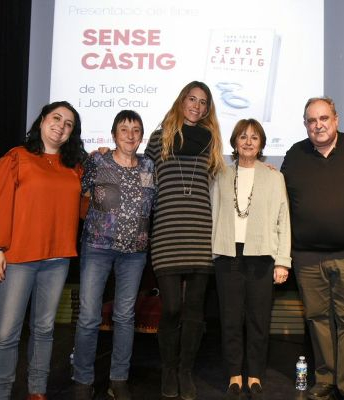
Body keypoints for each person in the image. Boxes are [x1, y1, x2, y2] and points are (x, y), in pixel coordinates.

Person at [0, 101, 87, 400]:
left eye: (68, 124)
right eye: (56, 118)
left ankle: (37, 391)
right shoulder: (17, 157)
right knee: (7, 333)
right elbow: (1, 204)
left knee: (44, 330)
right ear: (42, 120)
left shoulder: (74, 167)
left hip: (57, 259)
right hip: (18, 258)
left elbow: (82, 210)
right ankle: (0, 394)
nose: (61, 126)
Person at [280, 97, 344, 400]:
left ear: (336, 119)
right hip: (307, 257)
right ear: (305, 124)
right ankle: (325, 379)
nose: (318, 125)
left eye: (324, 118)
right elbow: (280, 200)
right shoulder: (294, 155)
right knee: (317, 319)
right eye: (311, 120)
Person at [144, 81, 225, 400]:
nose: (196, 106)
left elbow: (222, 182)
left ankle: (185, 371)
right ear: (181, 101)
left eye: (203, 102)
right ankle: (168, 368)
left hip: (200, 234)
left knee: (194, 310)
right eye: (192, 99)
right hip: (167, 234)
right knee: (172, 308)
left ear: (207, 109)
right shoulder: (159, 138)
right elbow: (142, 178)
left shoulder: (211, 142)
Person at [72, 110, 156, 400]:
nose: (130, 135)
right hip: (97, 248)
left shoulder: (149, 166)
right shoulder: (98, 161)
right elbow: (74, 191)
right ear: (113, 135)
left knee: (124, 316)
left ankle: (118, 379)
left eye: (136, 130)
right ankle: (82, 380)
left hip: (134, 253)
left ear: (142, 135)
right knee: (88, 317)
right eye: (124, 129)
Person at [211, 119, 291, 400]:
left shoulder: (274, 177)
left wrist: (282, 261)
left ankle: (255, 374)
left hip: (261, 255)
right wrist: (212, 252)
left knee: (258, 319)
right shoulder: (221, 175)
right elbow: (213, 213)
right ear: (235, 141)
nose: (248, 142)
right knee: (230, 319)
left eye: (254, 137)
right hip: (227, 255)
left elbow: (283, 220)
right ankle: (234, 374)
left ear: (261, 144)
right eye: (243, 136)